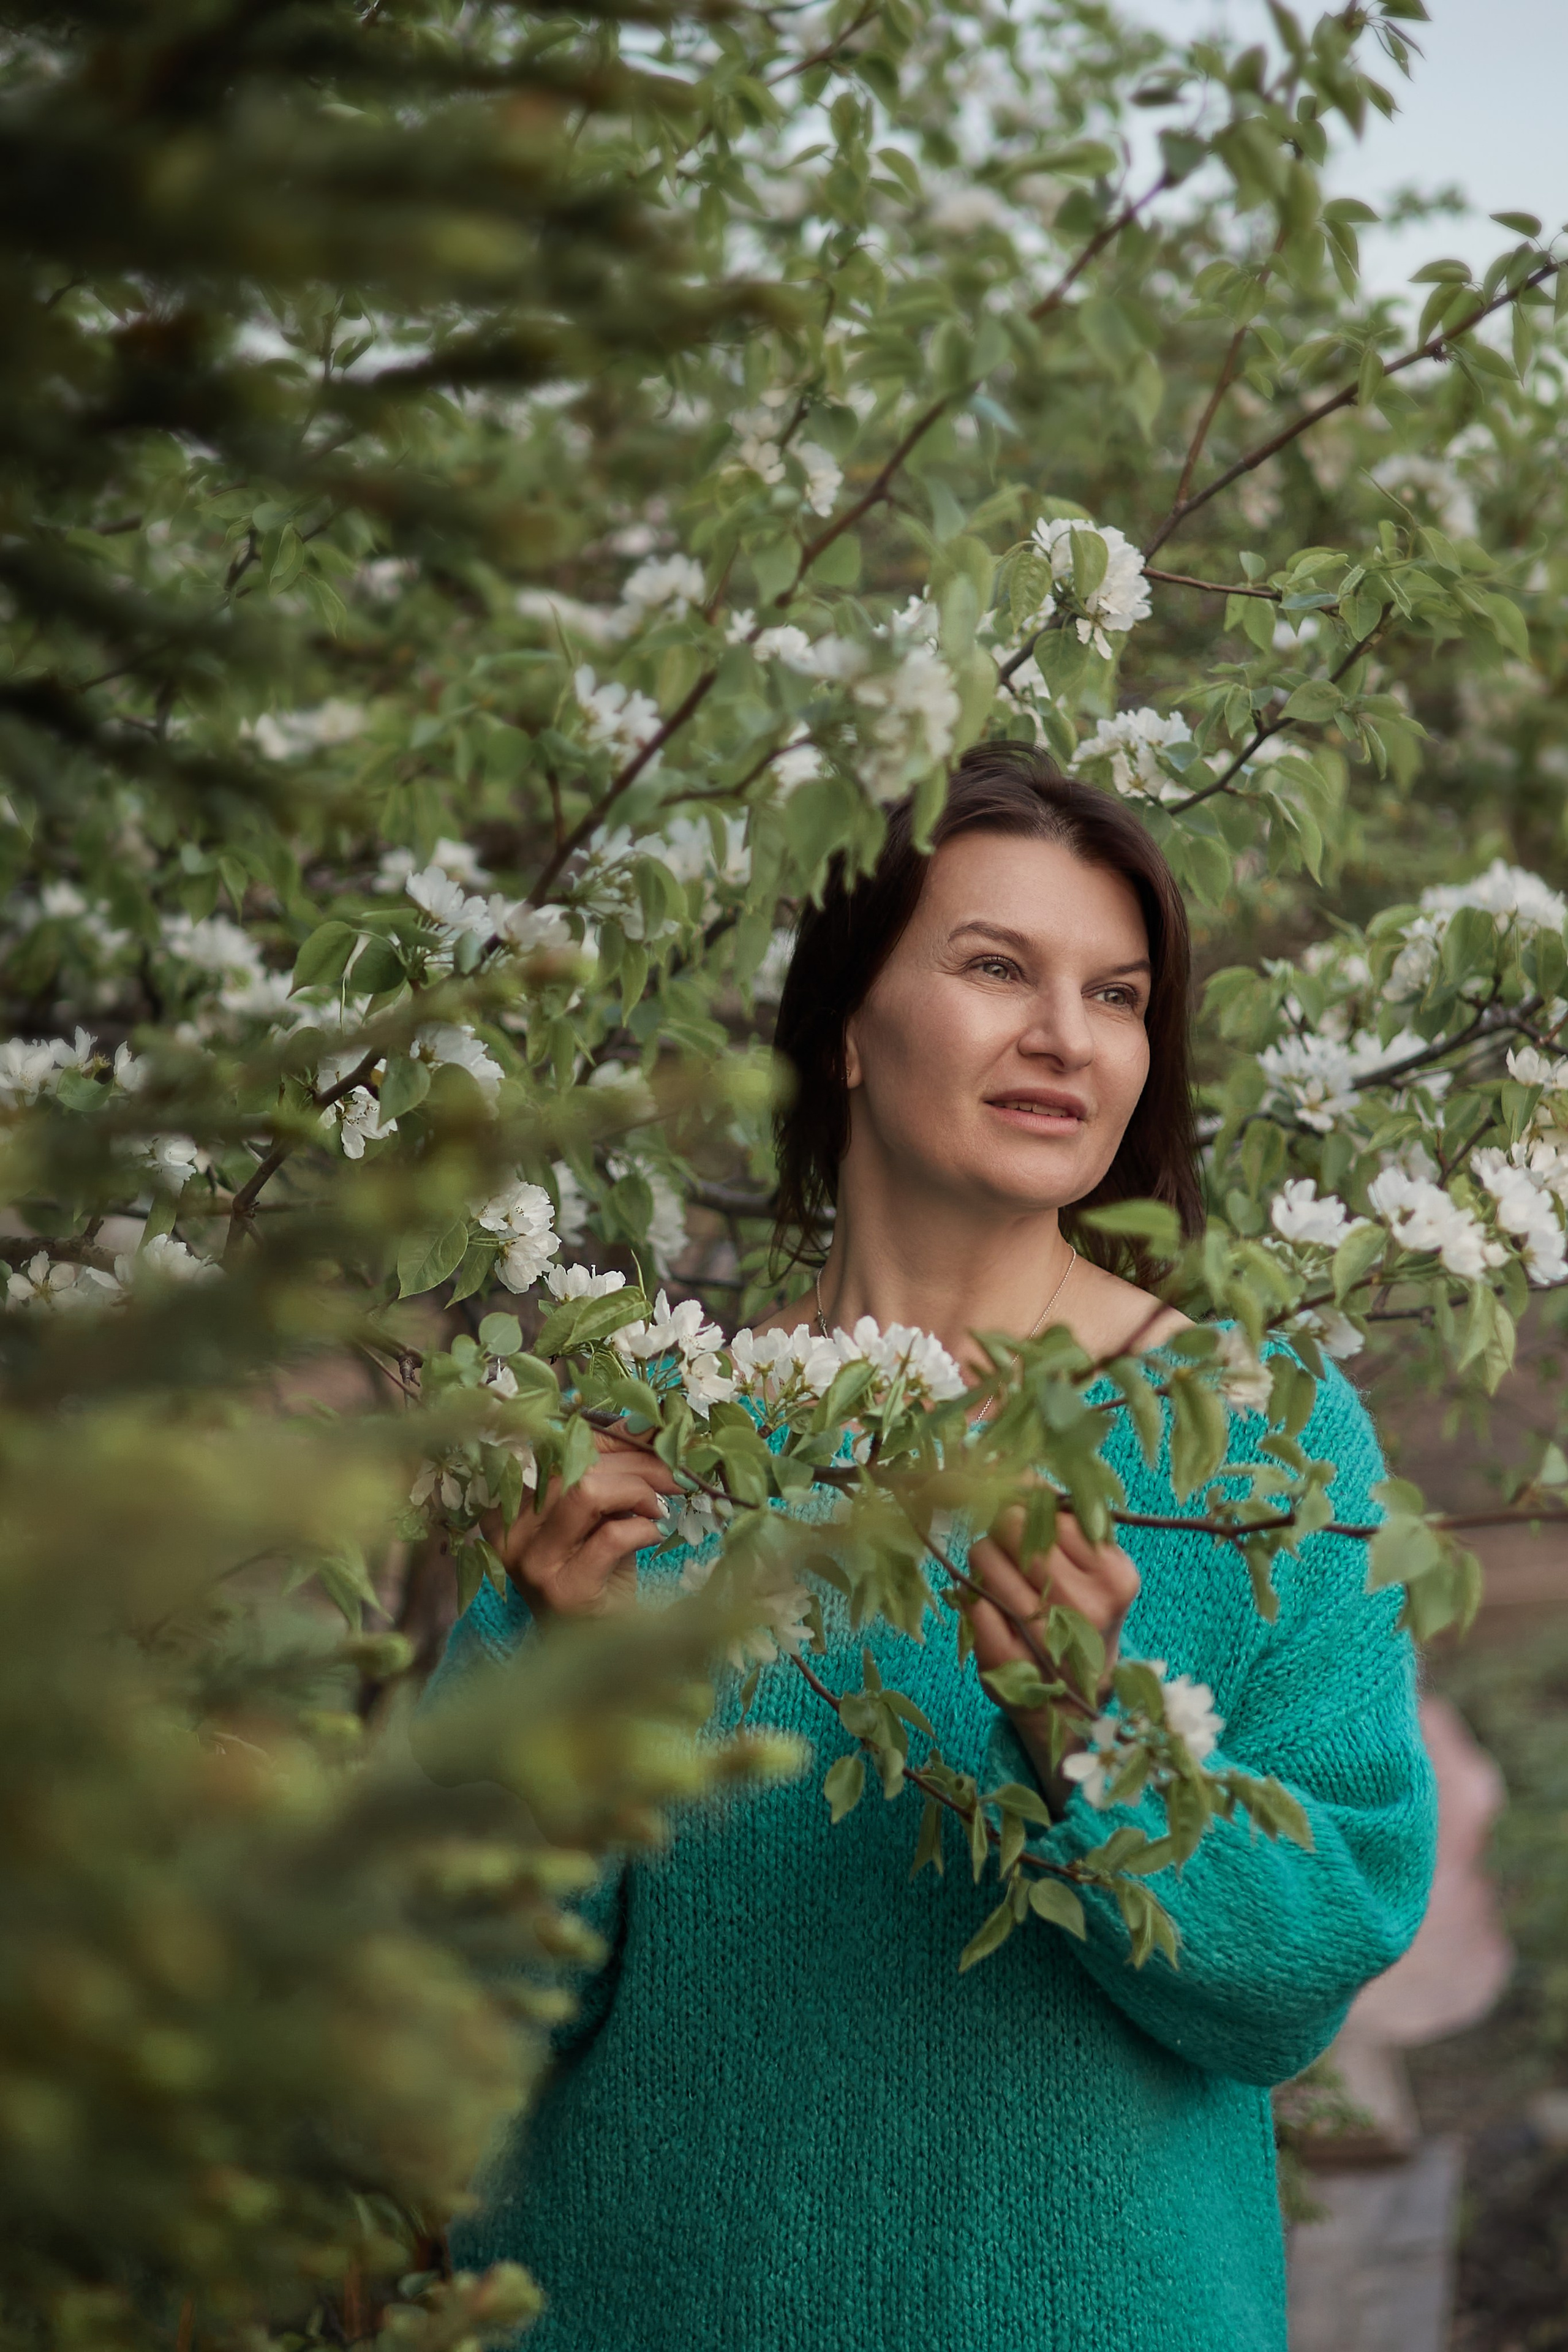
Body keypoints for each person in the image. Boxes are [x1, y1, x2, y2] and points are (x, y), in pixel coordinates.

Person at [418, 742, 1438, 2352]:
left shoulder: (1264, 1439)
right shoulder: (644, 1449)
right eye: (995, 967)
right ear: (842, 1026)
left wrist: (1086, 1738)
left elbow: (1299, 1974)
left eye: (1117, 994)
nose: (1065, 1037)